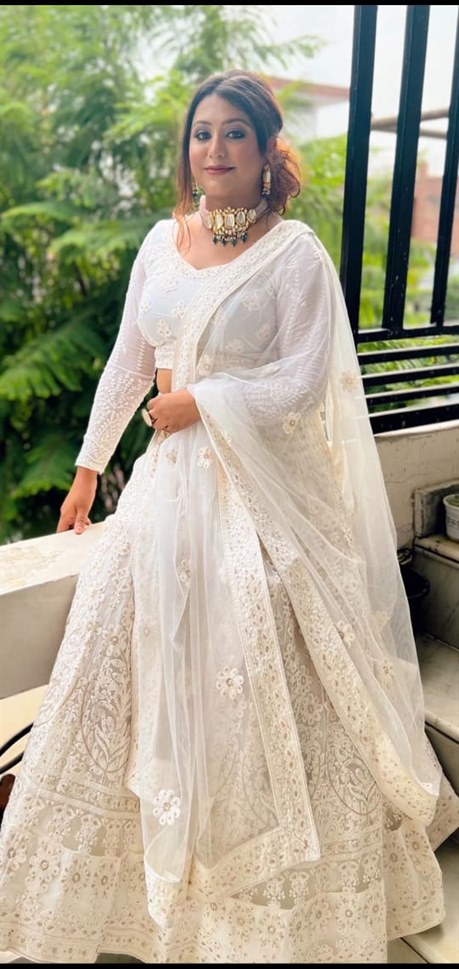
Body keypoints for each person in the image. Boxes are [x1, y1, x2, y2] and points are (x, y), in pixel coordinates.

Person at [0, 69, 457, 966]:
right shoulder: (161, 241)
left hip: (259, 490)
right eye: (201, 133)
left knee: (260, 619)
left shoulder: (294, 254)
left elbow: (303, 381)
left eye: (233, 134)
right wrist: (88, 469)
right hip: (164, 490)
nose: (213, 149)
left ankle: (267, 897)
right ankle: (125, 887)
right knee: (113, 633)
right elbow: (128, 363)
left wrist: (201, 401)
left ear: (264, 150)